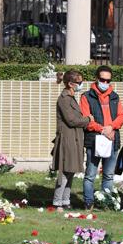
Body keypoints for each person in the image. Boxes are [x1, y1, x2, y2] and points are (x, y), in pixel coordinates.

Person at [80, 66, 123, 210]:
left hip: (112, 140)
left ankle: (106, 203)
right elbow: (86, 120)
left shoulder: (115, 96)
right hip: (94, 141)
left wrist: (111, 127)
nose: (105, 83)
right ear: (96, 79)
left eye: (108, 80)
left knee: (108, 176)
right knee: (90, 175)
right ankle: (89, 203)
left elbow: (121, 115)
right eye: (102, 80)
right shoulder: (86, 97)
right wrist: (103, 130)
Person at [51, 71, 93, 210]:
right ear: (70, 83)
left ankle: (66, 200)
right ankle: (58, 201)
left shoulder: (71, 97)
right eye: (79, 82)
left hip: (74, 138)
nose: (81, 85)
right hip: (67, 139)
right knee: (64, 171)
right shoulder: (64, 99)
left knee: (71, 171)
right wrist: (88, 119)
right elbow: (71, 120)